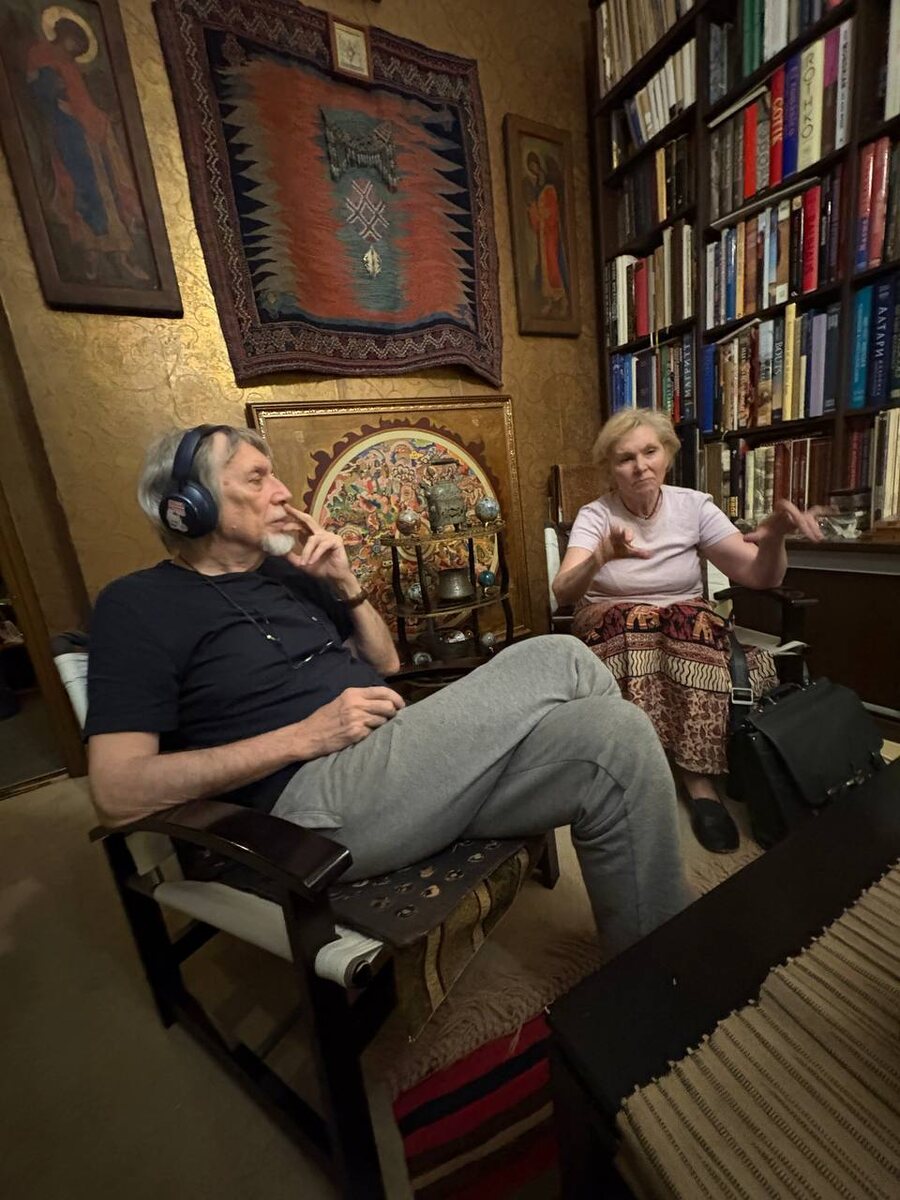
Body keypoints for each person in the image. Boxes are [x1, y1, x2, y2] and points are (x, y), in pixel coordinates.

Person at [86, 424, 692, 959]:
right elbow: (116, 792)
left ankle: (657, 966)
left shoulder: (287, 573)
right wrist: (303, 738)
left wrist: (343, 581)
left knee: (616, 736)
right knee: (559, 655)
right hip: (310, 811)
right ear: (189, 506)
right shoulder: (137, 606)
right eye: (257, 478)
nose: (282, 491)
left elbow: (386, 662)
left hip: (400, 770)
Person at [552, 410, 827, 854]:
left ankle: (698, 780)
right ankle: (642, 774)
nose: (640, 466)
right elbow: (564, 591)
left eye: (650, 451)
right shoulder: (595, 514)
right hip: (610, 616)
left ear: (667, 454)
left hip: (682, 615)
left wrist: (776, 537)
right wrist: (600, 556)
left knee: (684, 627)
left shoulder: (694, 506)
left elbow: (760, 576)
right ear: (610, 468)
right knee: (637, 625)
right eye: (625, 458)